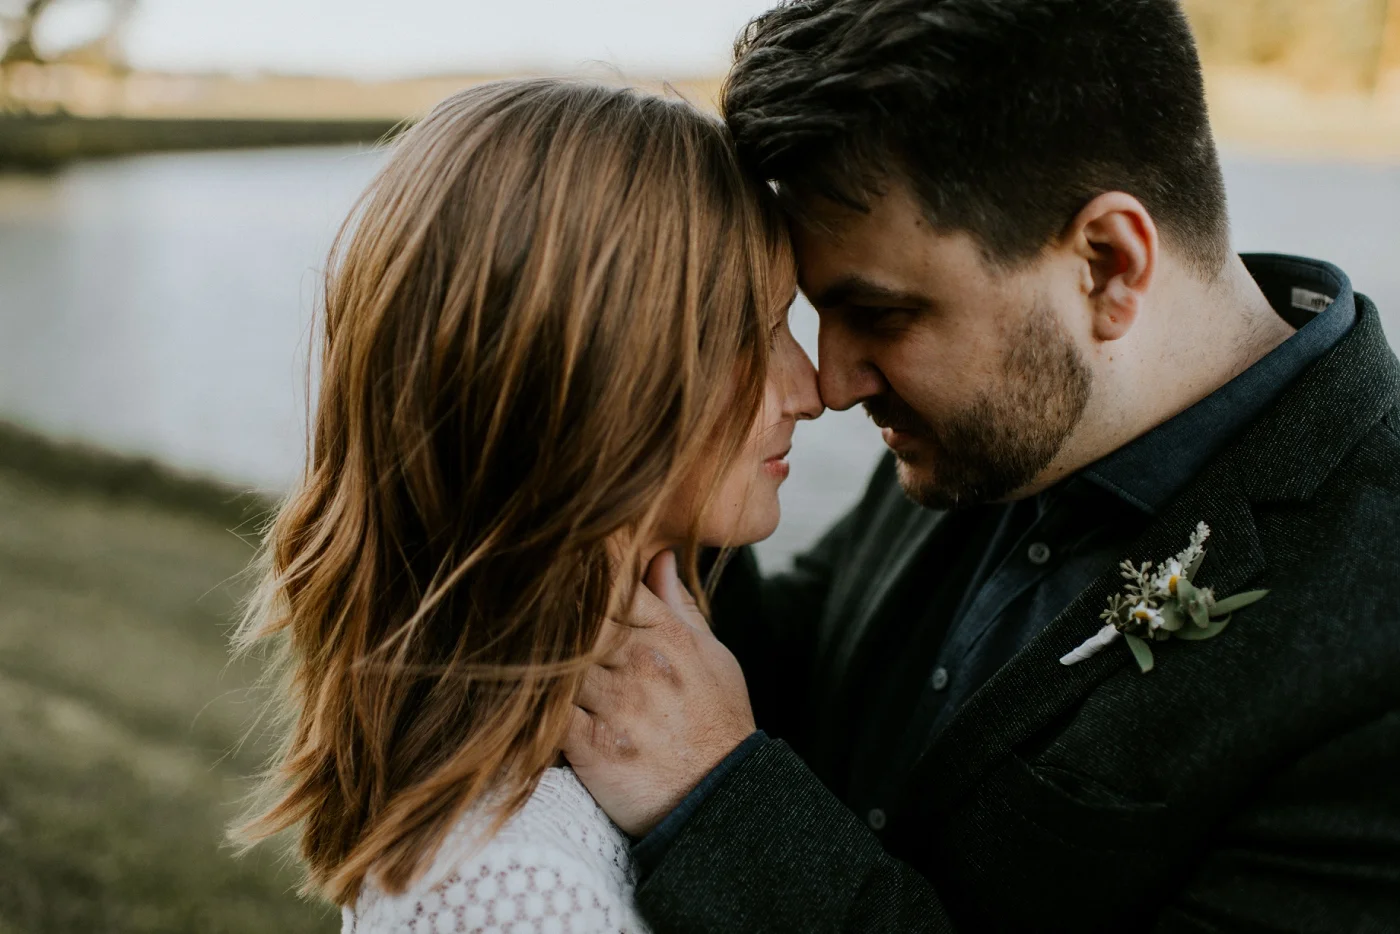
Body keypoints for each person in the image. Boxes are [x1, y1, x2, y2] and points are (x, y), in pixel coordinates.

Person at [562, 1, 1400, 931]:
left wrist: (718, 799)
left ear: (1108, 265)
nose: (831, 384)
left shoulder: (1376, 655)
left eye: (881, 315)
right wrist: (632, 460)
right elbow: (820, 660)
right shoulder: (986, 420)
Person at [229, 78, 821, 933]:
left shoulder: (584, 762)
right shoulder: (513, 896)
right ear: (592, 378)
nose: (810, 388)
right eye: (755, 332)